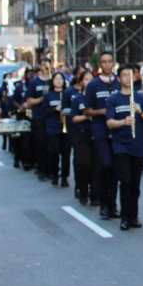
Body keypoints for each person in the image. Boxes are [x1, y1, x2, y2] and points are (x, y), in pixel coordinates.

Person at [105, 64, 143, 230]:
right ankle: (125, 217)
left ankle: (134, 216)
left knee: (135, 184)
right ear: (119, 79)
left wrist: (140, 111)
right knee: (125, 181)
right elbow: (109, 123)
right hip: (121, 146)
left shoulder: (142, 98)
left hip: (138, 145)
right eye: (125, 75)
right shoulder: (113, 99)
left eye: (131, 75)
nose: (128, 78)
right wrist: (123, 122)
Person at [86, 51, 121, 219]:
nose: (107, 64)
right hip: (100, 130)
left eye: (109, 61)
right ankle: (104, 204)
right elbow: (87, 110)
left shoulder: (119, 83)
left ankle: (113, 205)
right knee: (105, 166)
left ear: (113, 63)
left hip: (118, 131)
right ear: (100, 64)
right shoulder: (93, 85)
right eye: (104, 62)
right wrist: (101, 111)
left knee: (115, 169)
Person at [69, 70, 96, 205]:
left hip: (96, 134)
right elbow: (74, 118)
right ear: (81, 82)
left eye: (91, 79)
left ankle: (95, 193)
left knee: (96, 165)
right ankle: (83, 191)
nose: (89, 82)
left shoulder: (97, 98)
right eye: (86, 79)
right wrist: (87, 116)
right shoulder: (78, 98)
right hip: (81, 134)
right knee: (84, 164)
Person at [40, 72, 71, 188]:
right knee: (54, 152)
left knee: (66, 154)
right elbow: (44, 112)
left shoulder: (67, 94)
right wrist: (55, 109)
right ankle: (54, 174)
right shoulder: (48, 96)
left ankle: (64, 177)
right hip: (53, 128)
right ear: (52, 81)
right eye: (56, 79)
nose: (58, 81)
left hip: (66, 127)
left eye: (61, 79)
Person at [25, 57, 54, 182]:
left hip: (52, 118)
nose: (45, 67)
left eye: (47, 64)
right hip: (39, 117)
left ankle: (52, 170)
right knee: (41, 144)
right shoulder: (34, 82)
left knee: (52, 145)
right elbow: (29, 101)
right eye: (43, 64)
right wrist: (43, 98)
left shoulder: (54, 80)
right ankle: (41, 169)